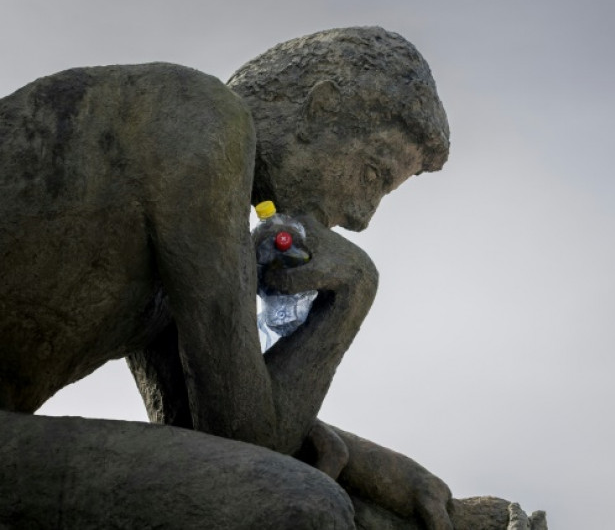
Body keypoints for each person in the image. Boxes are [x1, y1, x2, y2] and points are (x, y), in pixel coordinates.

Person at [0, 27, 454, 528]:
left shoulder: (191, 182)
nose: (362, 217)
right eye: (372, 175)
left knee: (304, 496)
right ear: (319, 110)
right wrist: (354, 290)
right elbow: (247, 436)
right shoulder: (202, 120)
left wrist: (383, 475)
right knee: (302, 506)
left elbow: (203, 434)